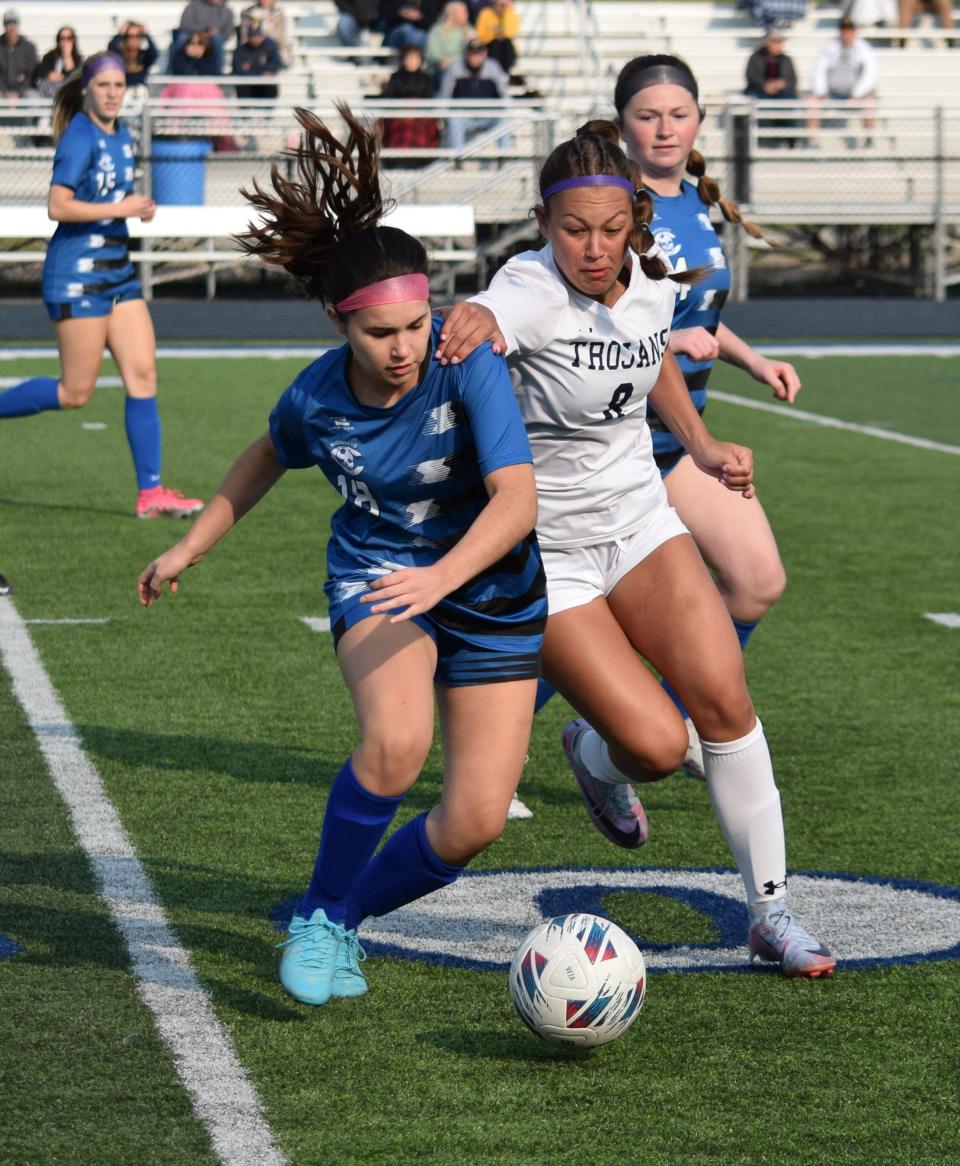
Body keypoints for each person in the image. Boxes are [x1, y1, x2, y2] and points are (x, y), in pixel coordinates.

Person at [137, 104, 547, 1007]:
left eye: (414, 326)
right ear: (338, 322)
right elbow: (263, 458)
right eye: (378, 333)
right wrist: (191, 545)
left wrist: (445, 575)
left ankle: (348, 916)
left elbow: (518, 500)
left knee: (475, 819)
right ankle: (323, 914)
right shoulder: (315, 398)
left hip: (492, 590)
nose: (403, 349)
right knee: (397, 745)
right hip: (377, 577)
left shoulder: (464, 358)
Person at [435, 121, 835, 978]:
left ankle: (772, 912)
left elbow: (651, 360)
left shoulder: (653, 279)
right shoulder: (527, 288)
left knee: (724, 703)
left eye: (610, 229)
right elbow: (491, 314)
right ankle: (590, 752)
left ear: (636, 221)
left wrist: (698, 443)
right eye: (572, 229)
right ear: (545, 223)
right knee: (656, 749)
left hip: (642, 519)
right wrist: (471, 317)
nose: (592, 247)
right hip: (550, 552)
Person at [0, 53, 203, 520]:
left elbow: (113, 200)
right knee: (76, 393)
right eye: (104, 85)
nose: (113, 92)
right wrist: (122, 208)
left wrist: (137, 207)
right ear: (87, 89)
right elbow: (58, 206)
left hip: (118, 275)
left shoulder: (123, 135)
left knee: (143, 377)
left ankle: (150, 494)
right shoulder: (79, 136)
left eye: (119, 85)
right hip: (77, 276)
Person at [809, 17, 878, 144]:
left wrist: (856, 94)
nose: (847, 34)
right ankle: (813, 141)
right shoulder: (830, 47)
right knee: (812, 101)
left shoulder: (864, 48)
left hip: (857, 95)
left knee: (870, 101)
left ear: (854, 32)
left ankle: (869, 139)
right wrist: (821, 92)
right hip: (832, 94)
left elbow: (870, 74)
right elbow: (819, 70)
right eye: (844, 31)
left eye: (849, 31)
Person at [438, 37, 510, 151]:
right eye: (472, 53)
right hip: (465, 116)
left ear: (485, 53)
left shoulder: (493, 67)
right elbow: (445, 95)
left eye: (479, 53)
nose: (475, 57)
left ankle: (503, 159)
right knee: (454, 119)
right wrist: (443, 117)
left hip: (489, 115)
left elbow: (505, 95)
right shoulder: (455, 67)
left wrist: (503, 110)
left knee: (504, 120)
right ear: (466, 54)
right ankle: (458, 161)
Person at [378, 43, 440, 163]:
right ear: (403, 59)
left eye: (415, 58)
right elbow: (389, 96)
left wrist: (416, 107)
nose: (412, 61)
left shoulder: (426, 78)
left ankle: (422, 158)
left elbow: (429, 98)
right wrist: (402, 107)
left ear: (420, 60)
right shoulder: (396, 77)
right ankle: (395, 158)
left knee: (426, 125)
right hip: (399, 114)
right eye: (409, 57)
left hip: (420, 115)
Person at [176, 0, 237, 75]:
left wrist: (213, 33)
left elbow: (228, 32)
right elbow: (185, 24)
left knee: (216, 40)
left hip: (213, 39)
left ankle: (216, 75)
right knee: (181, 39)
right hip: (193, 34)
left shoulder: (227, 11)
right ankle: (178, 74)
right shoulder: (193, 6)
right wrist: (203, 31)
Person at [232, 16, 282, 98]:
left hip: (264, 87)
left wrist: (252, 68)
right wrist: (261, 70)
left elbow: (274, 66)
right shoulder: (241, 49)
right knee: (243, 84)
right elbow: (238, 69)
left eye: (258, 36)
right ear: (249, 37)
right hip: (248, 87)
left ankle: (267, 110)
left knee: (269, 83)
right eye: (253, 36)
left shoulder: (271, 47)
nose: (256, 39)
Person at [425, 1, 472, 85]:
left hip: (464, 69)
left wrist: (454, 62)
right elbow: (432, 53)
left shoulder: (470, 31)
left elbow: (474, 53)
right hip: (441, 70)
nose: (467, 15)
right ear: (452, 14)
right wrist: (441, 61)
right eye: (464, 13)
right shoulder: (437, 30)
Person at [744, 28, 798, 99]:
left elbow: (792, 79)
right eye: (774, 42)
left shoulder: (786, 60)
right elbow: (751, 77)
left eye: (779, 42)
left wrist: (781, 84)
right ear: (766, 43)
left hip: (782, 93)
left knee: (788, 99)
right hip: (759, 92)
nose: (778, 45)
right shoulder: (756, 58)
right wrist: (765, 85)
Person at [106, 21, 159, 91]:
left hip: (139, 95)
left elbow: (154, 52)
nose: (134, 39)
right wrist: (120, 33)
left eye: (138, 36)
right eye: (130, 36)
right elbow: (111, 47)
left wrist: (147, 34)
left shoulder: (144, 56)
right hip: (122, 93)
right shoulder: (119, 56)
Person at [33, 26, 83, 98]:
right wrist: (49, 74)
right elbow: (41, 70)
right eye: (62, 38)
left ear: (73, 40)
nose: (65, 41)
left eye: (69, 38)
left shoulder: (77, 58)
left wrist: (67, 56)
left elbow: (74, 76)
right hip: (49, 90)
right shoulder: (50, 56)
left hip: (67, 93)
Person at [474, 0, 519, 75]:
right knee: (496, 43)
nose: (501, 7)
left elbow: (509, 33)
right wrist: (494, 36)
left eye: (503, 5)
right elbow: (481, 35)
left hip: (505, 48)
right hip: (490, 46)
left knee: (506, 43)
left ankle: (502, 74)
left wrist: (506, 13)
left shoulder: (511, 14)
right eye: (500, 4)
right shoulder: (486, 13)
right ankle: (497, 73)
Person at [1, 9, 38, 98]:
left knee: (33, 97)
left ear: (18, 25)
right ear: (4, 26)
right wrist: (5, 92)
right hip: (2, 91)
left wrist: (19, 93)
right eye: (8, 24)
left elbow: (32, 74)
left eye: (14, 24)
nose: (12, 28)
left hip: (24, 91)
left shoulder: (29, 48)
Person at [240, 0, 290, 65]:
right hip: (253, 42)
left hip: (272, 43)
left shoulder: (278, 13)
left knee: (274, 48)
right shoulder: (248, 12)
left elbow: (280, 34)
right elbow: (245, 33)